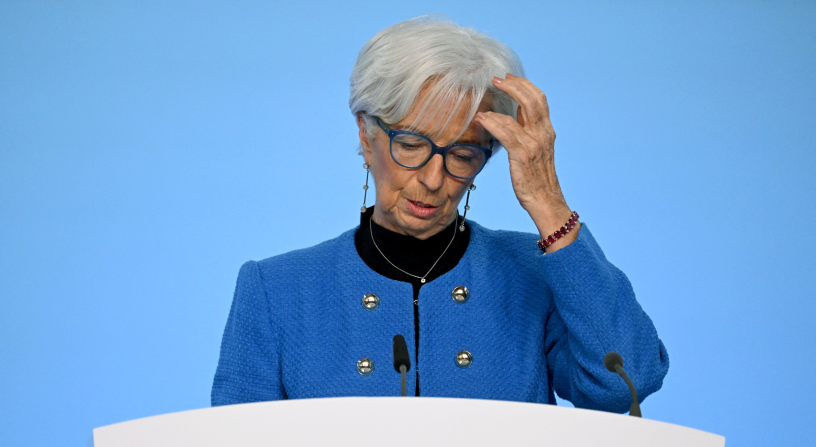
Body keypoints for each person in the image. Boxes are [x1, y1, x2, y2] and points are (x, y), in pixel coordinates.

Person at [211, 17, 669, 412]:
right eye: (411, 145)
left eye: (464, 154)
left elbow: (625, 383)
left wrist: (548, 202)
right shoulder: (274, 290)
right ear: (366, 134)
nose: (433, 178)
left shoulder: (537, 273)